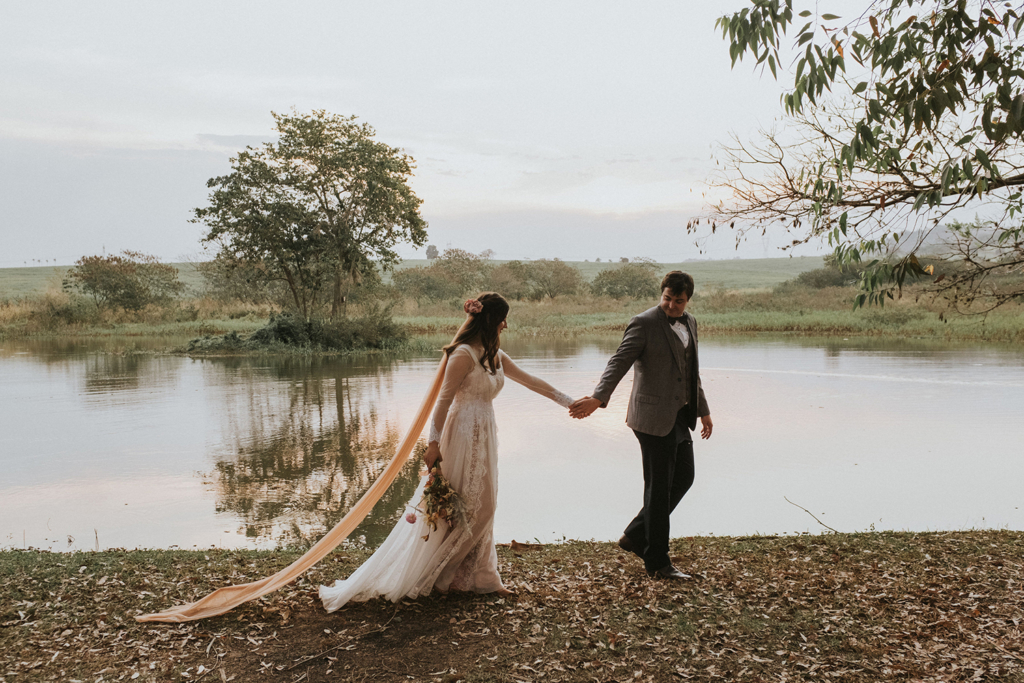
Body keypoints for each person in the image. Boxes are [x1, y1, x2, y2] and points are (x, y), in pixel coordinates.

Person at [319, 292, 574, 610]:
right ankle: (441, 575)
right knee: (468, 508)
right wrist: (433, 443)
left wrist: (569, 402)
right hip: (460, 435)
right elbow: (443, 400)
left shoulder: (494, 355)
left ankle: (482, 578)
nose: (506, 324)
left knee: (484, 505)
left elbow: (531, 381)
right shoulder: (463, 354)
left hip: (485, 434)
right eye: (503, 318)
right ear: (491, 320)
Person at [569, 271, 712, 580]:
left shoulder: (691, 323)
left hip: (680, 416)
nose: (672, 306)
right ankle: (658, 562)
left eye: (679, 301)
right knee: (658, 490)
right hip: (650, 418)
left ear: (688, 300)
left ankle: (635, 535)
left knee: (684, 477)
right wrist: (598, 398)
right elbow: (619, 362)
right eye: (667, 299)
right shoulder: (644, 323)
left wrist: (703, 411)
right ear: (661, 295)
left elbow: (691, 372)